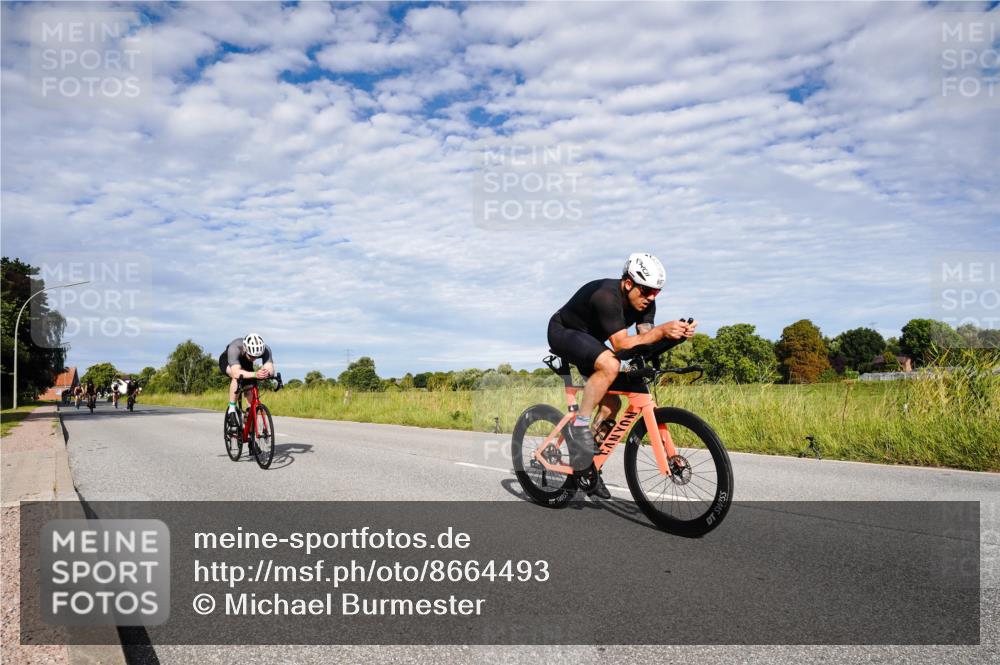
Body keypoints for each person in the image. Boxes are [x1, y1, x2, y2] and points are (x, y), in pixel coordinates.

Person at [547, 253, 696, 498]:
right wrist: (660, 332)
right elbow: (621, 345)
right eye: (646, 291)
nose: (651, 298)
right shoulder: (606, 296)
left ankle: (587, 466)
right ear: (628, 284)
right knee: (611, 364)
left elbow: (642, 343)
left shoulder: (646, 303)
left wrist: (674, 337)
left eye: (656, 293)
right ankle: (580, 427)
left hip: (590, 342)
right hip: (564, 331)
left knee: (612, 403)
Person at [218, 333, 275, 416]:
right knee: (237, 377)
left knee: (250, 385)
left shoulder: (265, 349)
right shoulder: (235, 347)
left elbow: (270, 368)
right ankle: (232, 408)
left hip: (246, 363)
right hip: (228, 361)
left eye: (256, 356)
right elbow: (236, 373)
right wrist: (255, 374)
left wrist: (266, 373)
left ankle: (250, 416)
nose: (254, 358)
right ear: (245, 348)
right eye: (251, 355)